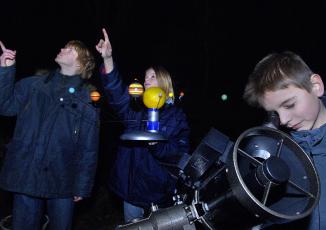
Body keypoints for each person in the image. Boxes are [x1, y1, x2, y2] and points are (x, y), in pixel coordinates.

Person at [0, 39, 100, 230]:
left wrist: (82, 185)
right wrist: (5, 70)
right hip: (26, 175)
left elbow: (89, 147)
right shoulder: (32, 85)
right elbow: (5, 106)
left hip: (63, 180)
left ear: (81, 63)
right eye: (64, 46)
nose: (62, 48)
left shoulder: (87, 99)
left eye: (70, 49)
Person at [95, 28, 190, 223]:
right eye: (146, 77)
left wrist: (159, 146)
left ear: (165, 83)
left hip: (159, 193)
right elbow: (116, 94)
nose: (147, 81)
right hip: (131, 192)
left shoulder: (177, 117)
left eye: (152, 77)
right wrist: (108, 59)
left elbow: (179, 152)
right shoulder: (134, 111)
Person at [243, 51, 326, 229]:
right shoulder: (279, 156)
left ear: (316, 86)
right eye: (274, 113)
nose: (283, 120)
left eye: (289, 105)